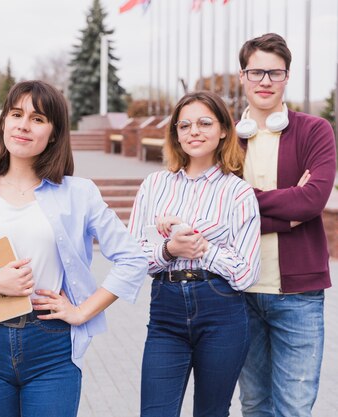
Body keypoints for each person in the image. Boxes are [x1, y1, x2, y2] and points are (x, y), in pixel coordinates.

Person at [0, 80, 148, 417]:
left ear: (55, 133)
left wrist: (83, 311)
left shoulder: (79, 193)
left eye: (38, 118)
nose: (24, 125)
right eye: (16, 114)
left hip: (51, 343)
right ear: (4, 122)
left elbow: (133, 258)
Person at [128, 91, 261, 417]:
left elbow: (246, 273)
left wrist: (203, 248)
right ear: (175, 133)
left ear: (224, 130)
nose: (194, 132)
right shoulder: (154, 185)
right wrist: (169, 248)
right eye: (184, 125)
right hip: (166, 311)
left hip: (222, 313)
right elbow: (131, 258)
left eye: (204, 123)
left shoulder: (237, 191)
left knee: (212, 413)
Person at [235, 33, 336, 417]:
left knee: (293, 407)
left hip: (299, 296)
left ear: (286, 77)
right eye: (256, 71)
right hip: (239, 290)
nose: (265, 81)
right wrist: (288, 209)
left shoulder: (315, 130)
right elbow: (217, 213)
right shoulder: (226, 137)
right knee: (254, 404)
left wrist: (244, 203)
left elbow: (313, 201)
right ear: (243, 76)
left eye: (274, 73)